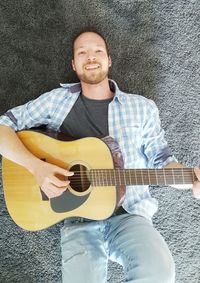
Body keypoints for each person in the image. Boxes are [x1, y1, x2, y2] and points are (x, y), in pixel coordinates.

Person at [0, 28, 199, 283]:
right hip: (77, 220)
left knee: (159, 274)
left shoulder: (143, 107)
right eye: (82, 52)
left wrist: (191, 178)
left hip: (130, 215)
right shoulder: (55, 101)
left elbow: (163, 162)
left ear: (109, 60)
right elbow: (3, 126)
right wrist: (37, 167)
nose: (90, 57)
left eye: (98, 51)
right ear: (74, 64)